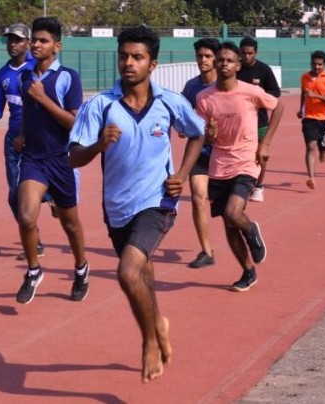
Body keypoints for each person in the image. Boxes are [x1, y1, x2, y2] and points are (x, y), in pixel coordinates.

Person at [68, 26, 205, 383]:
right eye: (124, 56)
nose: (129, 63)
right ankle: (158, 323)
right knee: (142, 274)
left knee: (128, 272)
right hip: (117, 207)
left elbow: (197, 131)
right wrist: (99, 145)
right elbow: (73, 159)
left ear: (153, 63)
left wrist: (185, 173)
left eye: (137, 57)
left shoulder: (169, 102)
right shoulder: (101, 105)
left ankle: (148, 342)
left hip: (158, 202)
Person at [196, 41, 284, 292]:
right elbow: (204, 135)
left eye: (229, 61)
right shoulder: (204, 97)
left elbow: (279, 106)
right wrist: (209, 134)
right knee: (227, 222)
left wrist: (265, 142)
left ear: (237, 65)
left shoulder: (250, 92)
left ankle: (252, 229)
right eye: (220, 60)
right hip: (219, 164)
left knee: (234, 213)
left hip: (246, 160)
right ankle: (248, 272)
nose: (224, 64)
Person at [14, 17, 89, 305]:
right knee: (26, 216)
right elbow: (29, 115)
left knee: (70, 224)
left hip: (61, 161)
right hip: (33, 159)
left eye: (43, 40)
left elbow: (74, 123)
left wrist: (44, 99)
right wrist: (21, 134)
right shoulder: (25, 77)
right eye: (34, 39)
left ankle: (81, 268)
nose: (35, 44)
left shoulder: (68, 77)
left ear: (56, 46)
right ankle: (33, 271)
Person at [0, 23, 55, 260]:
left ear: (28, 43)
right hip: (13, 139)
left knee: (32, 188)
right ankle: (35, 242)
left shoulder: (37, 70)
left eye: (18, 40)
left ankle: (52, 197)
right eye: (10, 40)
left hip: (36, 136)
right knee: (14, 195)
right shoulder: (2, 75)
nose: (13, 44)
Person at [181, 38, 220, 268]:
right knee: (198, 198)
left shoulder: (226, 86)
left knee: (228, 209)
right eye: (199, 56)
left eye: (207, 56)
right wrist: (184, 128)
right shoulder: (191, 87)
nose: (202, 60)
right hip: (201, 152)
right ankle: (206, 251)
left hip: (226, 154)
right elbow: (183, 114)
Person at [237, 36, 281, 202]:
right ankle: (240, 186)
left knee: (260, 155)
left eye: (250, 53)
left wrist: (259, 97)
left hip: (260, 122)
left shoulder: (264, 70)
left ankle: (259, 186)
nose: (246, 57)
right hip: (237, 123)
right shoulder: (235, 69)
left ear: (256, 53)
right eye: (244, 53)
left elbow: (275, 92)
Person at [297, 50, 325, 189]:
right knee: (310, 146)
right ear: (311, 63)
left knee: (322, 145)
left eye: (319, 64)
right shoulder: (304, 77)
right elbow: (304, 94)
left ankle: (323, 150)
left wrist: (316, 95)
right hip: (309, 117)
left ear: (324, 65)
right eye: (314, 64)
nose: (316, 67)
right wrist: (301, 108)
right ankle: (311, 177)